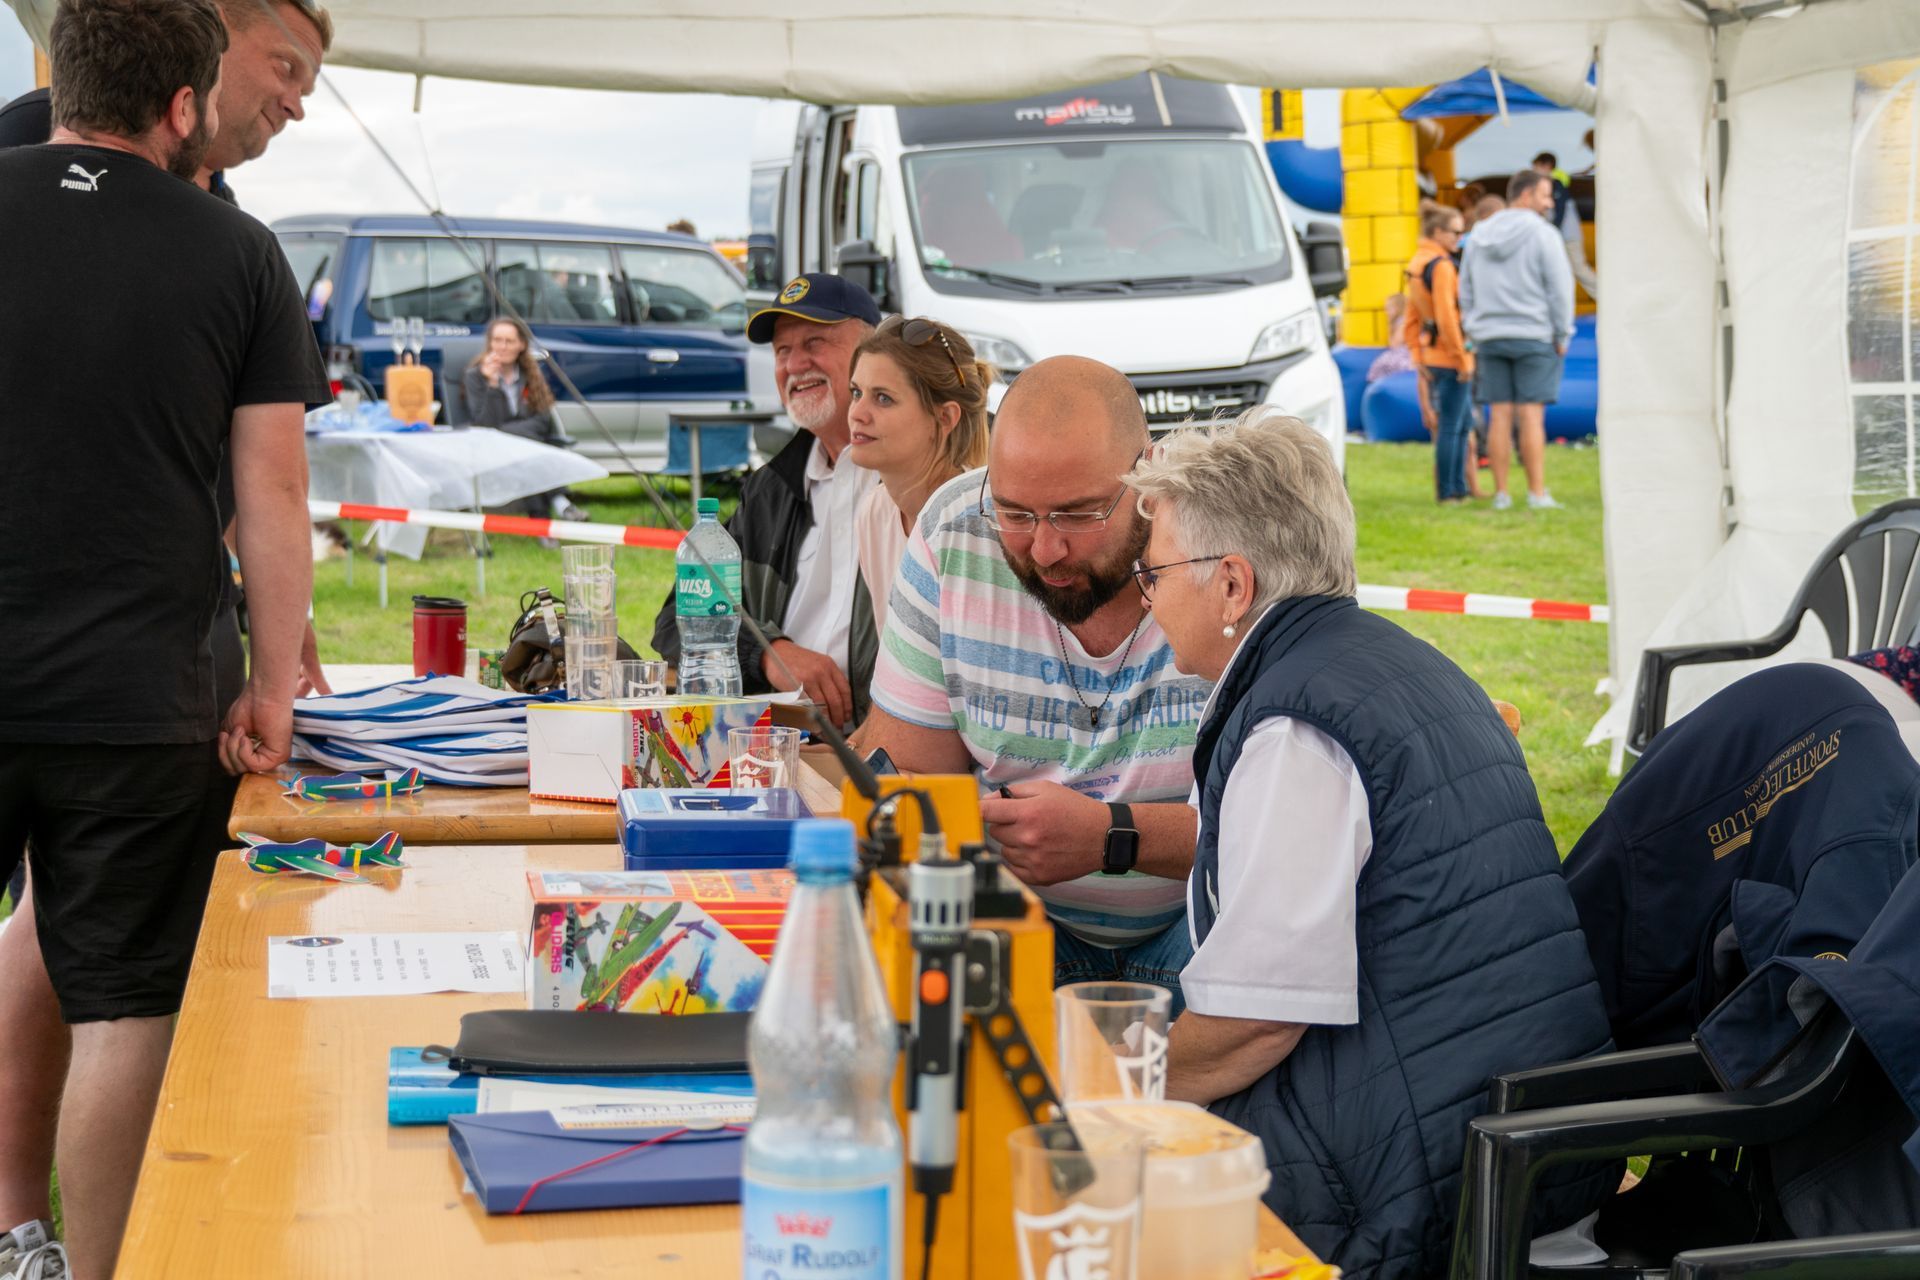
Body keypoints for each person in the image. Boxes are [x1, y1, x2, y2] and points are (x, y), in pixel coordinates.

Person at [1126, 409, 1614, 1277]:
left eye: (1154, 570)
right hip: (1499, 1132)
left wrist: (1107, 1094)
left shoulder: (1293, 727)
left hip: (1415, 1180)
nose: (1145, 594)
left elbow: (1254, 1016)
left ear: (1232, 585)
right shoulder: (1393, 662)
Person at [0, 2, 332, 1277]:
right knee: (127, 1002)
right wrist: (276, 687)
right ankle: (98, 1268)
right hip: (142, 697)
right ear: (185, 106)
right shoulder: (236, 254)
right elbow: (276, 499)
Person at [855, 356, 1212, 1003]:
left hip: (1206, 933)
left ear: (1149, 475)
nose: (1044, 550)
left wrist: (1114, 837)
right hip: (1020, 930)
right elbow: (905, 776)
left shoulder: (1226, 544)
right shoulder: (955, 531)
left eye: (1078, 515)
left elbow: (1289, 839)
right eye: (1016, 514)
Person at [650, 273, 881, 729]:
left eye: (815, 341)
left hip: (892, 755)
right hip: (781, 741)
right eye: (782, 351)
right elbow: (678, 619)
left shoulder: (915, 476)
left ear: (874, 355)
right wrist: (770, 653)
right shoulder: (769, 491)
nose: (795, 364)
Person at [846, 316, 992, 630]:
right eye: (856, 392)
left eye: (883, 398)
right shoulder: (875, 513)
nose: (856, 413)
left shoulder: (980, 524)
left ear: (944, 417)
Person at [1460, 169, 1575, 511]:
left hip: (1490, 335)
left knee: (1499, 416)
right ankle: (1537, 493)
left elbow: (1465, 288)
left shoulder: (1478, 235)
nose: (1549, 202)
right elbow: (1559, 289)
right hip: (1534, 334)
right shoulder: (1544, 234)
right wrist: (1562, 332)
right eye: (1544, 194)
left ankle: (1501, 494)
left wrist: (1473, 327)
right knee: (1531, 417)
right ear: (1525, 195)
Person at [463, 315, 585, 531]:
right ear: (490, 343)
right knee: (531, 452)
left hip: (526, 443)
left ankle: (543, 522)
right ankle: (557, 507)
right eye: (497, 340)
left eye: (509, 341)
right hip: (491, 448)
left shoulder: (530, 374)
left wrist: (505, 433)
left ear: (521, 345)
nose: (502, 347)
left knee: (528, 452)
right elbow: (484, 424)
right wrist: (491, 385)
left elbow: (542, 419)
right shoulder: (475, 376)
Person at [1405, 204, 1474, 503]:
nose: (1460, 238)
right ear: (1438, 232)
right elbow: (1447, 316)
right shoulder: (1442, 265)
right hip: (1449, 357)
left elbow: (1412, 317)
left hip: (1431, 355)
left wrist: (1417, 355)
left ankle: (1458, 487)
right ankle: (1450, 492)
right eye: (1456, 232)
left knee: (1459, 423)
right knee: (1452, 427)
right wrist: (1462, 358)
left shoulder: (1417, 263)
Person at [1533, 150, 1598, 299]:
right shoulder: (1545, 186)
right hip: (1557, 235)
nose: (1534, 170)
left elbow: (1559, 211)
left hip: (1568, 235)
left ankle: (1603, 296)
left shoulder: (1556, 185)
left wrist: (1553, 229)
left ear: (1547, 166)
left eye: (1537, 166)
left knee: (1579, 268)